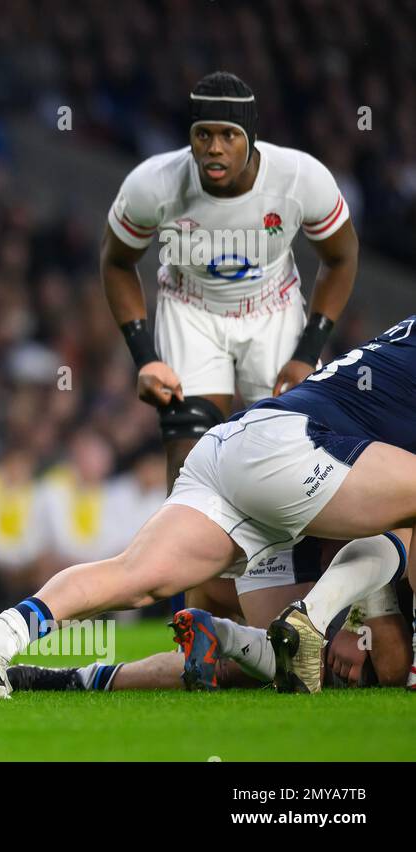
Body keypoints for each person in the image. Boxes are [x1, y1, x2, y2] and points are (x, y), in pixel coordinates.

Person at [0, 315, 416, 697]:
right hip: (297, 453)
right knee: (368, 650)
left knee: (131, 576)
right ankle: (309, 620)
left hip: (233, 445)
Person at [97, 69, 359, 679]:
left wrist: (308, 350)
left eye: (227, 136)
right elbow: (116, 261)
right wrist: (145, 356)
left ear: (251, 140)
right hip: (190, 311)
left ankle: (299, 613)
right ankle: (195, 628)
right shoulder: (154, 183)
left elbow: (342, 255)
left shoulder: (301, 179)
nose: (213, 148)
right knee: (189, 462)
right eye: (202, 134)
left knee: (287, 455)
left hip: (272, 313)